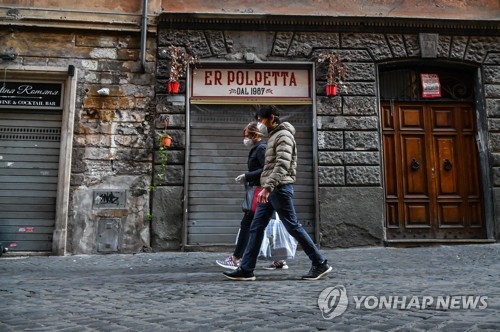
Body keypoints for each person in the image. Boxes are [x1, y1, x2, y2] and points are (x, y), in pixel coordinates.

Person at [223, 106, 332, 281]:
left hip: (279, 188)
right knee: (256, 227)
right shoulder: (274, 136)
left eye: (261, 120)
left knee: (293, 226)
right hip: (272, 188)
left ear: (271, 118)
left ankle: (320, 263)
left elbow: (282, 165)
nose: (259, 124)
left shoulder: (284, 136)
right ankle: (246, 269)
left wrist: (267, 187)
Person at [216, 122, 288, 270]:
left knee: (247, 224)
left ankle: (236, 259)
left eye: (247, 136)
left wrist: (246, 176)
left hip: (260, 192)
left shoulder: (261, 148)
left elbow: (265, 170)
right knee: (267, 225)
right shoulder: (259, 148)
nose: (245, 139)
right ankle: (279, 260)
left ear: (256, 135)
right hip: (263, 191)